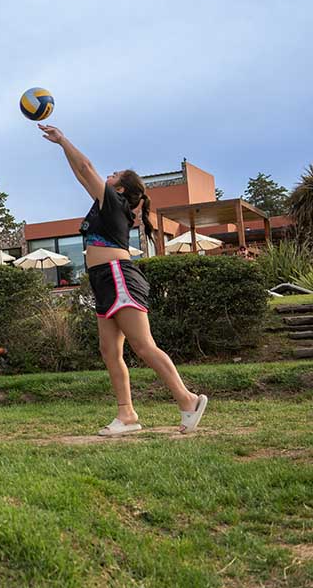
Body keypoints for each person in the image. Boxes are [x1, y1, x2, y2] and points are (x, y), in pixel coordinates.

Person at [40, 123, 207, 436]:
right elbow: (81, 173)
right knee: (109, 352)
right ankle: (127, 414)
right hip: (104, 280)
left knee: (143, 346)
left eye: (114, 174)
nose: (109, 173)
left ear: (119, 190)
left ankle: (188, 400)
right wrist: (64, 150)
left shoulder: (114, 203)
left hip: (118, 277)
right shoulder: (107, 203)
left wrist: (63, 140)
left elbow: (85, 166)